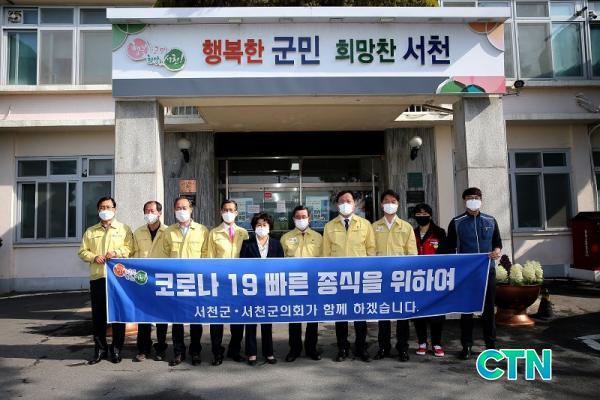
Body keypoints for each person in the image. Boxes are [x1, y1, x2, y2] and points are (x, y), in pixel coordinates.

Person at [445, 187, 502, 360]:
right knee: (467, 311)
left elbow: (497, 243)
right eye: (470, 197)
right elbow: (450, 248)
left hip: (487, 271)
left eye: (476, 197)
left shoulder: (490, 220)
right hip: (466, 274)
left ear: (481, 200)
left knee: (489, 311)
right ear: (464, 200)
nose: (473, 200)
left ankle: (491, 346)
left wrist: (497, 251)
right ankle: (467, 346)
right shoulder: (457, 222)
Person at [78, 196, 133, 364]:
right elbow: (82, 252)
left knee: (117, 316)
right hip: (98, 278)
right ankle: (100, 349)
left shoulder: (124, 229)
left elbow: (130, 248)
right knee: (99, 317)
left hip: (118, 280)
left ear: (115, 210)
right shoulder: (91, 231)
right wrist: (94, 257)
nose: (105, 210)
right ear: (98, 210)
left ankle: (116, 349)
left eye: (108, 207)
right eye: (102, 207)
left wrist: (116, 253)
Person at [323, 190, 376, 362]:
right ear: (337, 205)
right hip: (338, 279)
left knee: (360, 316)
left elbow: (371, 251)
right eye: (341, 201)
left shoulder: (365, 224)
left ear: (355, 204)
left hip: (359, 279)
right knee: (341, 316)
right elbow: (326, 254)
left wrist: (368, 274)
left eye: (349, 201)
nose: (345, 204)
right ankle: (342, 348)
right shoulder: (329, 226)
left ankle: (361, 348)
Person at [371, 190, 417, 362]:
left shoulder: (406, 227)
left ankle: (402, 348)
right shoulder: (374, 227)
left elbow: (412, 254)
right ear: (381, 205)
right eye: (386, 201)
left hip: (400, 278)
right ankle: (383, 347)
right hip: (381, 277)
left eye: (393, 201)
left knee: (401, 315)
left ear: (398, 204)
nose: (389, 204)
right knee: (383, 314)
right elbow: (370, 252)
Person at [162, 196, 209, 366]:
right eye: (178, 208)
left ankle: (195, 351)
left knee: (196, 319)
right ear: (174, 210)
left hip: (195, 281)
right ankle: (178, 352)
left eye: (184, 207)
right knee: (177, 320)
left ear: (191, 210)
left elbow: (206, 255)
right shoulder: (168, 231)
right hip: (175, 282)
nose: (181, 211)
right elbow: (164, 256)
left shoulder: (202, 230)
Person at [206, 199, 249, 365]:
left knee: (237, 318)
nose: (228, 213)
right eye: (225, 210)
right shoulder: (214, 233)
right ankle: (217, 351)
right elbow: (209, 258)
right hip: (219, 282)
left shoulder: (243, 233)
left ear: (236, 213)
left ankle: (235, 350)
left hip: (238, 282)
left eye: (231, 210)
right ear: (220, 212)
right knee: (217, 319)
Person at [280, 205, 323, 362]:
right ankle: (295, 349)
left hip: (313, 283)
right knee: (294, 317)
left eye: (304, 217)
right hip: (293, 284)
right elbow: (280, 263)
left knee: (312, 317)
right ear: (293, 219)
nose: (301, 219)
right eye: (298, 217)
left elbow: (324, 260)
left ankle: (311, 348)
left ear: (309, 218)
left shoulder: (318, 237)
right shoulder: (285, 238)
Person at [240, 212, 282, 366]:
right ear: (254, 227)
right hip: (251, 289)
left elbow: (281, 266)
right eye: (259, 225)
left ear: (270, 227)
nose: (262, 227)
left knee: (266, 322)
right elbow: (241, 266)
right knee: (251, 321)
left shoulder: (276, 244)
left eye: (265, 224)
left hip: (269, 288)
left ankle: (269, 352)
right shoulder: (247, 244)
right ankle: (251, 353)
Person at [131, 200, 168, 362]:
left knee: (161, 317)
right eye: (147, 211)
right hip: (143, 280)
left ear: (159, 213)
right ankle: (143, 349)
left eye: (152, 211)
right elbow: (132, 254)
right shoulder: (138, 232)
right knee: (143, 317)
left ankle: (161, 348)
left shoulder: (168, 232)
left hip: (161, 279)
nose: (149, 214)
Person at [412, 203, 447, 358]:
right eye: (418, 214)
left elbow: (446, 254)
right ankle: (422, 342)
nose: (422, 216)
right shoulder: (412, 232)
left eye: (424, 213)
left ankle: (437, 343)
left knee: (437, 313)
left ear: (430, 215)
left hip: (435, 279)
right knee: (418, 311)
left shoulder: (439, 232)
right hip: (417, 278)